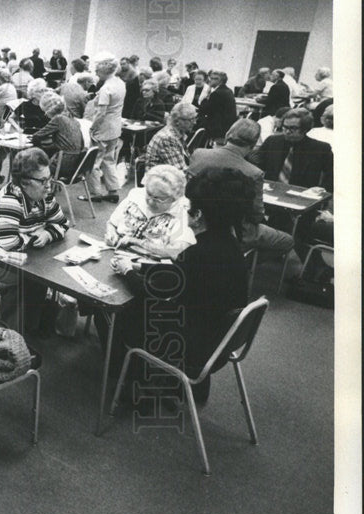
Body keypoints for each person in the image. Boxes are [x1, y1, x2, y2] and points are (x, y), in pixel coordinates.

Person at [108, 168, 252, 405]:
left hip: (192, 344)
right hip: (218, 340)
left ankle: (131, 381)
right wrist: (140, 268)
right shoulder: (230, 246)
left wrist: (126, 272)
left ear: (199, 215)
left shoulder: (199, 253)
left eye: (191, 208)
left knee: (122, 314)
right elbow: (181, 275)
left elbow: (149, 292)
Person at [0, 148, 69, 339]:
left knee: (39, 272)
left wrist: (47, 233)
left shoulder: (44, 194)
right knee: (21, 277)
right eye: (43, 180)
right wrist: (34, 237)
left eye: (49, 178)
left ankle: (28, 326)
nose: (49, 186)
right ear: (25, 183)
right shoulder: (11, 200)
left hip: (12, 253)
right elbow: (10, 244)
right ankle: (4, 334)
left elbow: (63, 223)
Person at [188, 119, 294, 256]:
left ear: (227, 135)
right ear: (254, 143)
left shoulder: (198, 154)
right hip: (235, 229)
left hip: (197, 219)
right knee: (288, 240)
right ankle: (247, 262)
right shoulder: (254, 173)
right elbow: (256, 214)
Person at [105, 164, 196, 260]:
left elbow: (176, 250)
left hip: (149, 267)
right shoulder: (136, 194)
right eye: (149, 194)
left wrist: (136, 242)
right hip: (115, 255)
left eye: (159, 199)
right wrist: (111, 234)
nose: (151, 202)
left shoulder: (184, 212)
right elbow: (112, 223)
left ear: (175, 198)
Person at [250, 108, 333, 192]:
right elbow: (256, 164)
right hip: (270, 191)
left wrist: (322, 189)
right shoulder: (272, 141)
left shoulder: (320, 149)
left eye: (292, 128)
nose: (287, 131)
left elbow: (333, 176)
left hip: (302, 196)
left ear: (305, 129)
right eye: (285, 127)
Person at [81, 57, 125, 203]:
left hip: (103, 128)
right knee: (109, 160)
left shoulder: (106, 88)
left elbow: (101, 113)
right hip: (115, 127)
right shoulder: (120, 83)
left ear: (104, 70)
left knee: (93, 161)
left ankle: (95, 193)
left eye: (98, 70)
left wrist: (91, 127)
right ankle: (113, 190)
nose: (96, 73)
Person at [31, 91, 84, 176]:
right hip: (75, 165)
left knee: (28, 168)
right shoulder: (72, 119)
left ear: (48, 110)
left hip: (62, 164)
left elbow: (36, 136)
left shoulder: (58, 119)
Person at [144, 102, 198, 172]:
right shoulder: (167, 138)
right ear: (177, 121)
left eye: (195, 119)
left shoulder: (177, 134)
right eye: (191, 119)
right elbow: (181, 172)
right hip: (159, 180)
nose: (195, 122)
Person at [196, 70, 237, 144]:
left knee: (195, 122)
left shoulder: (217, 93)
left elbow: (203, 110)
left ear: (219, 80)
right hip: (227, 126)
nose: (209, 80)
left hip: (217, 128)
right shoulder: (229, 90)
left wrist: (207, 93)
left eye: (212, 78)